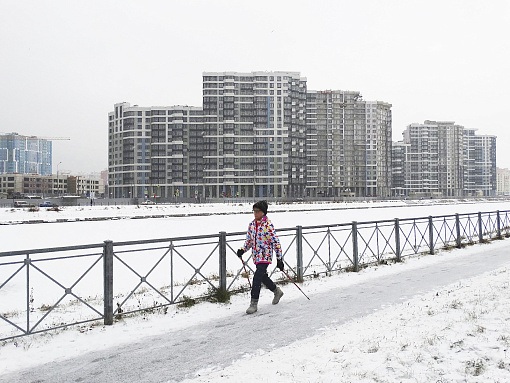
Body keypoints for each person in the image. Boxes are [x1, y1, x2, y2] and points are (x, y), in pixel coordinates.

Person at [237, 200, 284, 314]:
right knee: (262, 277)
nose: (255, 213)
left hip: (265, 256)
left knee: (257, 277)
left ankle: (253, 304)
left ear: (263, 212)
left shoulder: (268, 225)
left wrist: (279, 259)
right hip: (256, 256)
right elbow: (249, 241)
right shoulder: (252, 225)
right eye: (254, 211)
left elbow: (275, 242)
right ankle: (276, 291)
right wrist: (243, 250)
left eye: (257, 211)